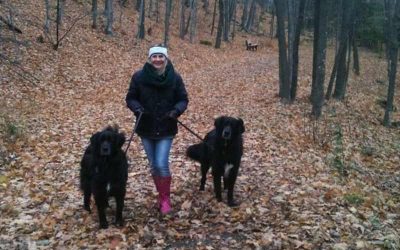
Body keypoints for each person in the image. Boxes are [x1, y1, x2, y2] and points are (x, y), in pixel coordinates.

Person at [126, 44, 188, 215]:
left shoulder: (175, 77)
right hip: (146, 126)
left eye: (161, 56)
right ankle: (161, 195)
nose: (158, 59)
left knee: (161, 163)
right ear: (150, 58)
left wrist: (176, 111)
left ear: (166, 59)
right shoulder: (139, 77)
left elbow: (183, 99)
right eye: (155, 56)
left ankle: (166, 199)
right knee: (154, 165)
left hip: (167, 127)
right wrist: (137, 108)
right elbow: (130, 98)